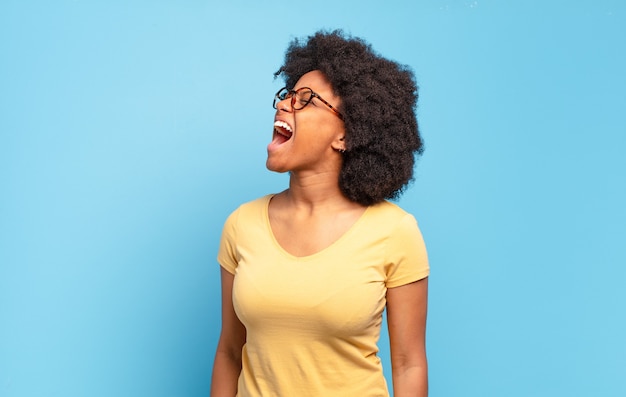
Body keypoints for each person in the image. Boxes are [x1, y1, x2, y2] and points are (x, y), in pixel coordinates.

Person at [210, 30, 429, 397]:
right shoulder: (241, 224)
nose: (284, 106)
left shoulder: (395, 232)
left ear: (346, 135)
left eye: (306, 100)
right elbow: (230, 352)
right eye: (288, 95)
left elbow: (409, 364)